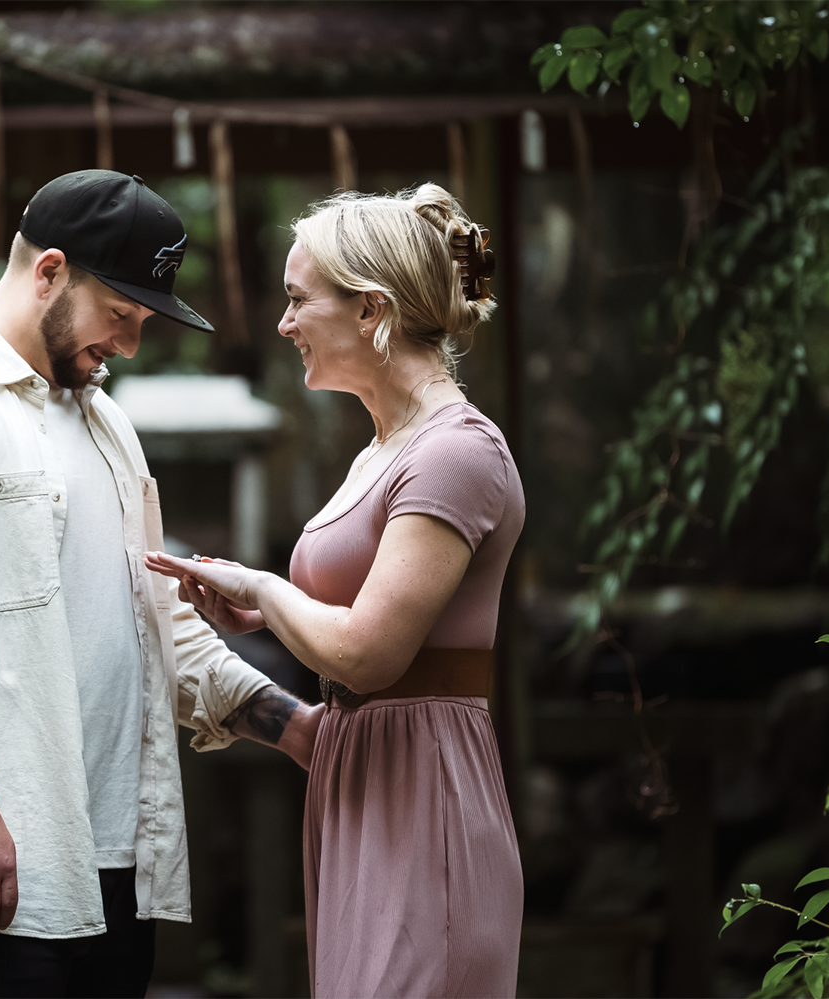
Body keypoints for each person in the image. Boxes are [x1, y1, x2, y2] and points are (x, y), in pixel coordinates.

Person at [0, 169, 323, 999]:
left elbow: (157, 619)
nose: (130, 344)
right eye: (120, 316)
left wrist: (294, 725)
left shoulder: (105, 422)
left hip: (117, 875)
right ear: (49, 272)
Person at [145, 184, 524, 999]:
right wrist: (265, 616)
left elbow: (370, 652)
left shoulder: (456, 452)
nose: (282, 325)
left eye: (295, 299)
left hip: (424, 785)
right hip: (358, 780)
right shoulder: (378, 450)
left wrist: (262, 586)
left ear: (371, 310)